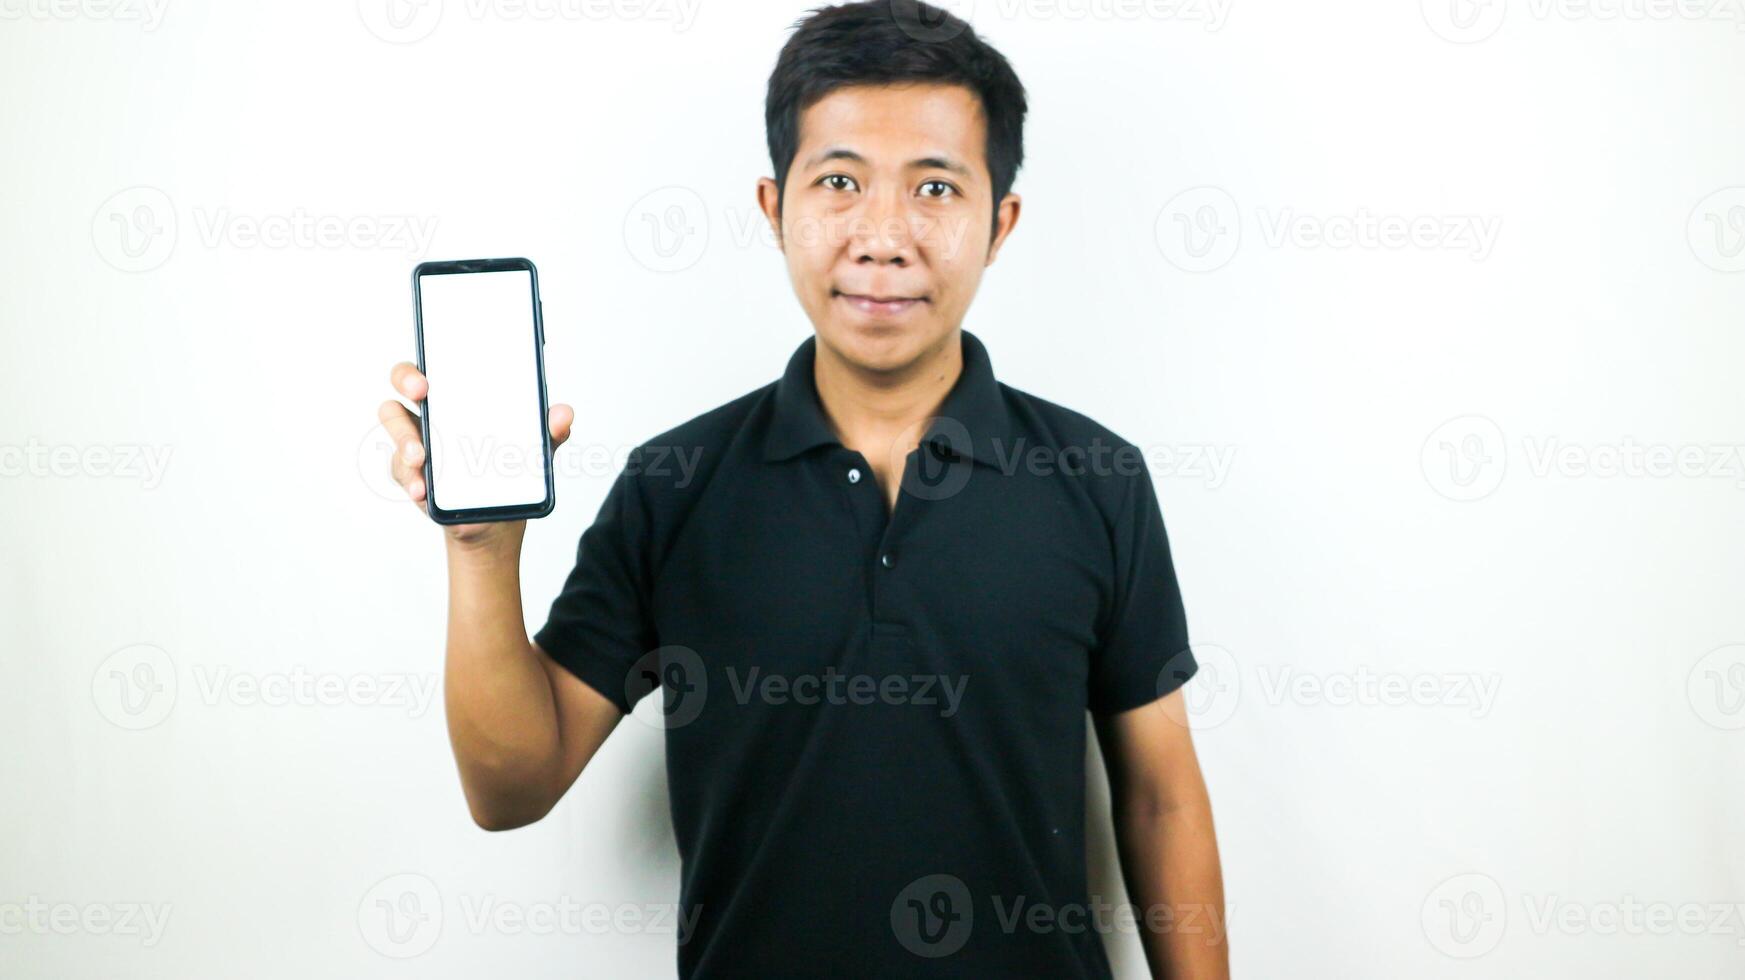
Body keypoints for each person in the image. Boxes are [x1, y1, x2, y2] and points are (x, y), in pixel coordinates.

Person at [376, 2, 1227, 976]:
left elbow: (1161, 794)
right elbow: (509, 784)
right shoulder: (673, 485)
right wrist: (480, 546)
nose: (882, 236)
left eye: (934, 188)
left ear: (999, 223)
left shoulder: (1094, 478)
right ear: (773, 208)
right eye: (837, 182)